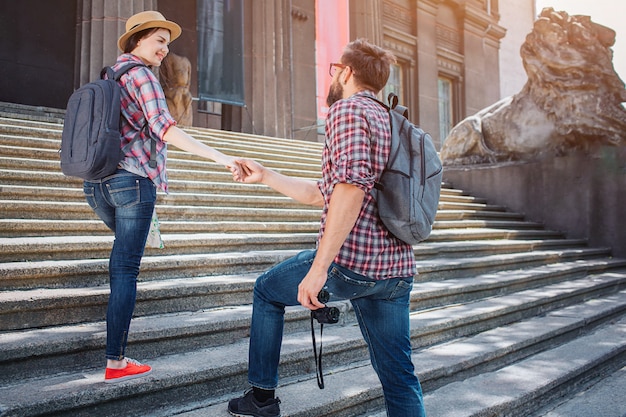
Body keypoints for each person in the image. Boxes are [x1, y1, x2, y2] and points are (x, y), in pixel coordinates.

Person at [228, 39, 426, 417]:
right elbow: (326, 193)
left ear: (346, 72)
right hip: (397, 269)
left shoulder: (348, 111)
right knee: (399, 375)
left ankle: (261, 401)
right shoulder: (392, 120)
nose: (332, 74)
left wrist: (319, 270)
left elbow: (351, 189)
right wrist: (266, 174)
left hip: (352, 265)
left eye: (335, 68)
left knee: (266, 292)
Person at [84, 10, 240, 384]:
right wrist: (221, 157)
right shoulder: (142, 77)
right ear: (138, 40)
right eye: (159, 40)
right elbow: (166, 129)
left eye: (167, 43)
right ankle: (116, 361)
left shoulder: (109, 76)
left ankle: (116, 356)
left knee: (122, 262)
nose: (165, 49)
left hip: (97, 185)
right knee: (125, 270)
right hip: (133, 182)